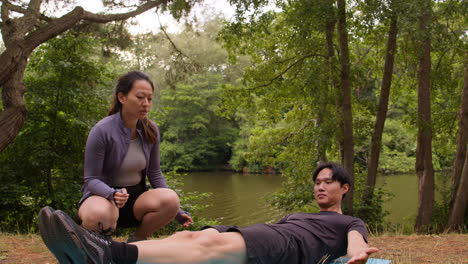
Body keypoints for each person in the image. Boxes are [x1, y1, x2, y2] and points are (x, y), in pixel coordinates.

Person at [39, 162, 379, 264]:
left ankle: (106, 253)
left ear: (344, 189)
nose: (321, 187)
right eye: (317, 181)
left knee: (208, 248)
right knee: (192, 236)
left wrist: (358, 256)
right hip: (270, 233)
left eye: (329, 183)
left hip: (289, 247)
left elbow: (354, 242)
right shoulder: (297, 215)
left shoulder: (349, 221)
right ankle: (105, 251)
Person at [78, 71, 193, 243]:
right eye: (140, 97)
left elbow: (154, 173)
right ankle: (98, 247)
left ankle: (137, 240)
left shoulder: (151, 130)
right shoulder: (101, 131)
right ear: (122, 98)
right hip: (103, 197)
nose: (145, 104)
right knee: (98, 214)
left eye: (149, 99)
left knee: (171, 199)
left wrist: (177, 211)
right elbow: (91, 179)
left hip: (136, 201)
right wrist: (112, 193)